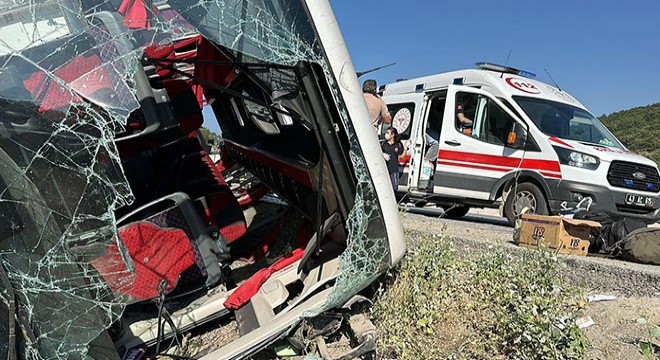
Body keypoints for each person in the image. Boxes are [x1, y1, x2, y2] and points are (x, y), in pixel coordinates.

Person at [381, 127, 405, 191]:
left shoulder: (398, 144)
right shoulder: (383, 144)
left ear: (393, 134)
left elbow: (402, 156)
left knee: (394, 188)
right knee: (385, 188)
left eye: (388, 133)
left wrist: (406, 147)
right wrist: (383, 154)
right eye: (386, 132)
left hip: (394, 170)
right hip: (385, 170)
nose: (386, 134)